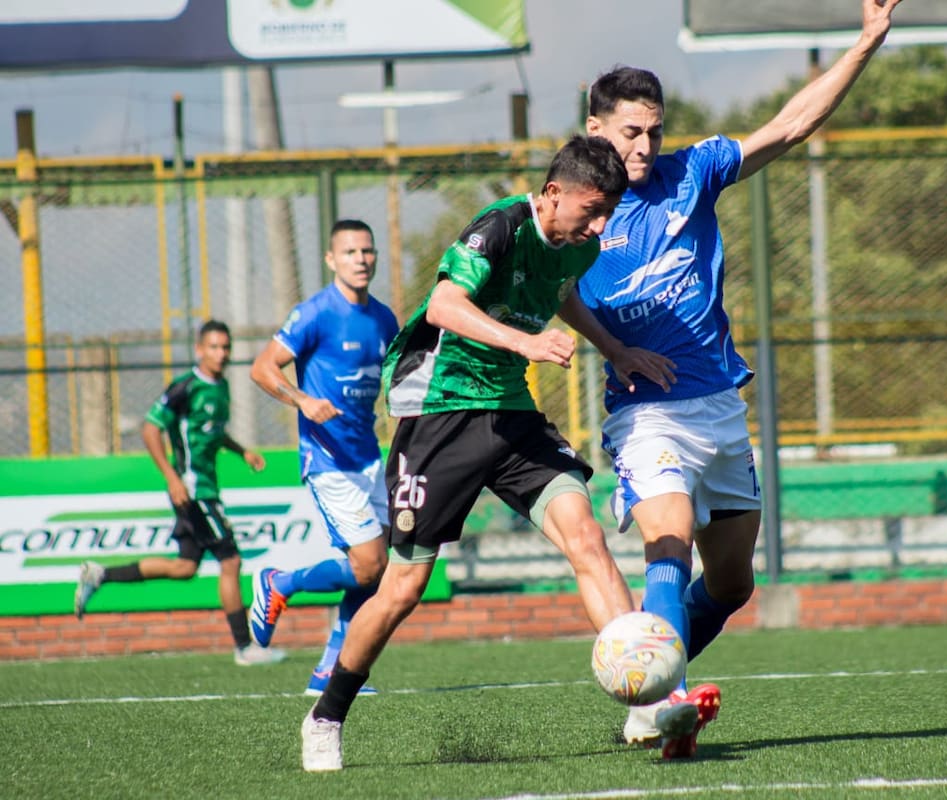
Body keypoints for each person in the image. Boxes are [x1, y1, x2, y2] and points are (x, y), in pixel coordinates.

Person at [557, 0, 904, 759]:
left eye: (653, 129)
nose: (645, 145)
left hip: (718, 407)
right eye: (629, 131)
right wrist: (614, 349)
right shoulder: (578, 202)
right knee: (667, 543)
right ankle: (663, 702)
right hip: (645, 414)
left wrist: (866, 42)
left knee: (732, 585)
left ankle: (651, 678)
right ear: (595, 125)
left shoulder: (694, 171)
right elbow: (552, 288)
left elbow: (790, 127)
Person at [300, 134, 635, 772]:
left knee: (585, 536)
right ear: (554, 192)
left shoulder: (581, 244)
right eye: (591, 209)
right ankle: (326, 715)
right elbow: (447, 305)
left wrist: (614, 349)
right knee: (402, 587)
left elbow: (561, 289)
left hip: (510, 414)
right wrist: (524, 343)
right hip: (440, 414)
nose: (599, 225)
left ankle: (645, 697)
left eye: (607, 213)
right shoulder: (501, 226)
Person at [73, 319, 285, 666]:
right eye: (214, 347)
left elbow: (211, 432)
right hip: (193, 490)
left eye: (226, 347)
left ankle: (101, 574)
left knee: (185, 567)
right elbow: (149, 428)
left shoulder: (221, 386)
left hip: (203, 488)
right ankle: (245, 648)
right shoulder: (185, 387)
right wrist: (172, 478)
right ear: (200, 350)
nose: (221, 353)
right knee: (230, 561)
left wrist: (241, 450)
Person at [248, 219, 400, 697]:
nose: (361, 259)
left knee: (374, 572)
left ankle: (329, 672)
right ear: (332, 259)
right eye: (351, 252)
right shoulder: (314, 312)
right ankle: (280, 582)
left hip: (368, 457)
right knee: (370, 563)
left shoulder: (384, 319)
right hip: (327, 458)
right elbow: (261, 368)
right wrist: (303, 401)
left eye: (367, 251)